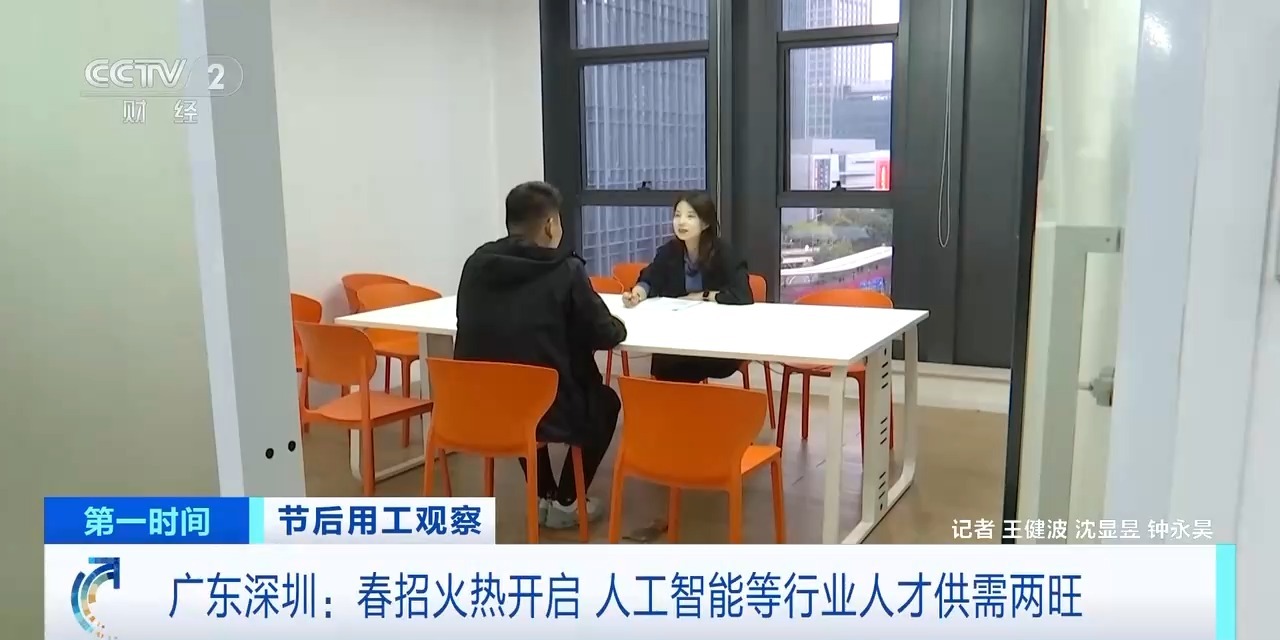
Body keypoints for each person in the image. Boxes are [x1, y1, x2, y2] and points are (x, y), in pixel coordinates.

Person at [454, 181, 626, 529]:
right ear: (550, 225)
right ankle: (567, 500)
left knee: (520, 390)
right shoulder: (564, 269)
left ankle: (542, 492)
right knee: (605, 403)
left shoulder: (476, 264)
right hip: (550, 404)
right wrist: (617, 325)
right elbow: (605, 333)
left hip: (482, 404)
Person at [621, 192, 752, 382]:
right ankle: (679, 397)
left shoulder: (724, 253)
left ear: (705, 223)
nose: (681, 222)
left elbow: (742, 295)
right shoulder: (669, 251)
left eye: (690, 216)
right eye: (677, 215)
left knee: (680, 364)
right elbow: (651, 278)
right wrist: (637, 293)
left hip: (717, 336)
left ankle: (690, 398)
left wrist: (704, 295)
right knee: (668, 360)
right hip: (677, 334)